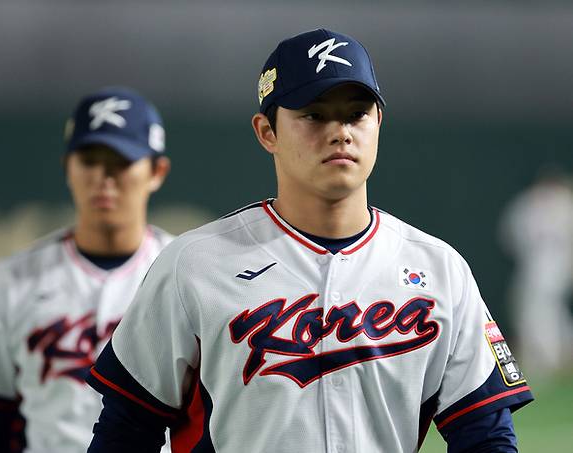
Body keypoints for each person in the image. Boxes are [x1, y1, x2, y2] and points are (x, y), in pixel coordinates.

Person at [86, 29, 534, 452]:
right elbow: (127, 430)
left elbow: (485, 436)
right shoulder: (194, 264)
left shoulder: (441, 270)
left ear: (378, 121)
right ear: (267, 131)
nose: (340, 131)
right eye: (314, 114)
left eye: (357, 113)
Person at [0, 86, 173, 453]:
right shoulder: (9, 282)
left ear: (157, 171)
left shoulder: (188, 274)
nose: (103, 177)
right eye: (90, 159)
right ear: (68, 165)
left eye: (121, 161)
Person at [499, 165, 573, 376]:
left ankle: (548, 361)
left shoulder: (559, 203)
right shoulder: (541, 204)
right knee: (543, 312)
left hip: (549, 265)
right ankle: (557, 356)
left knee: (538, 312)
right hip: (539, 265)